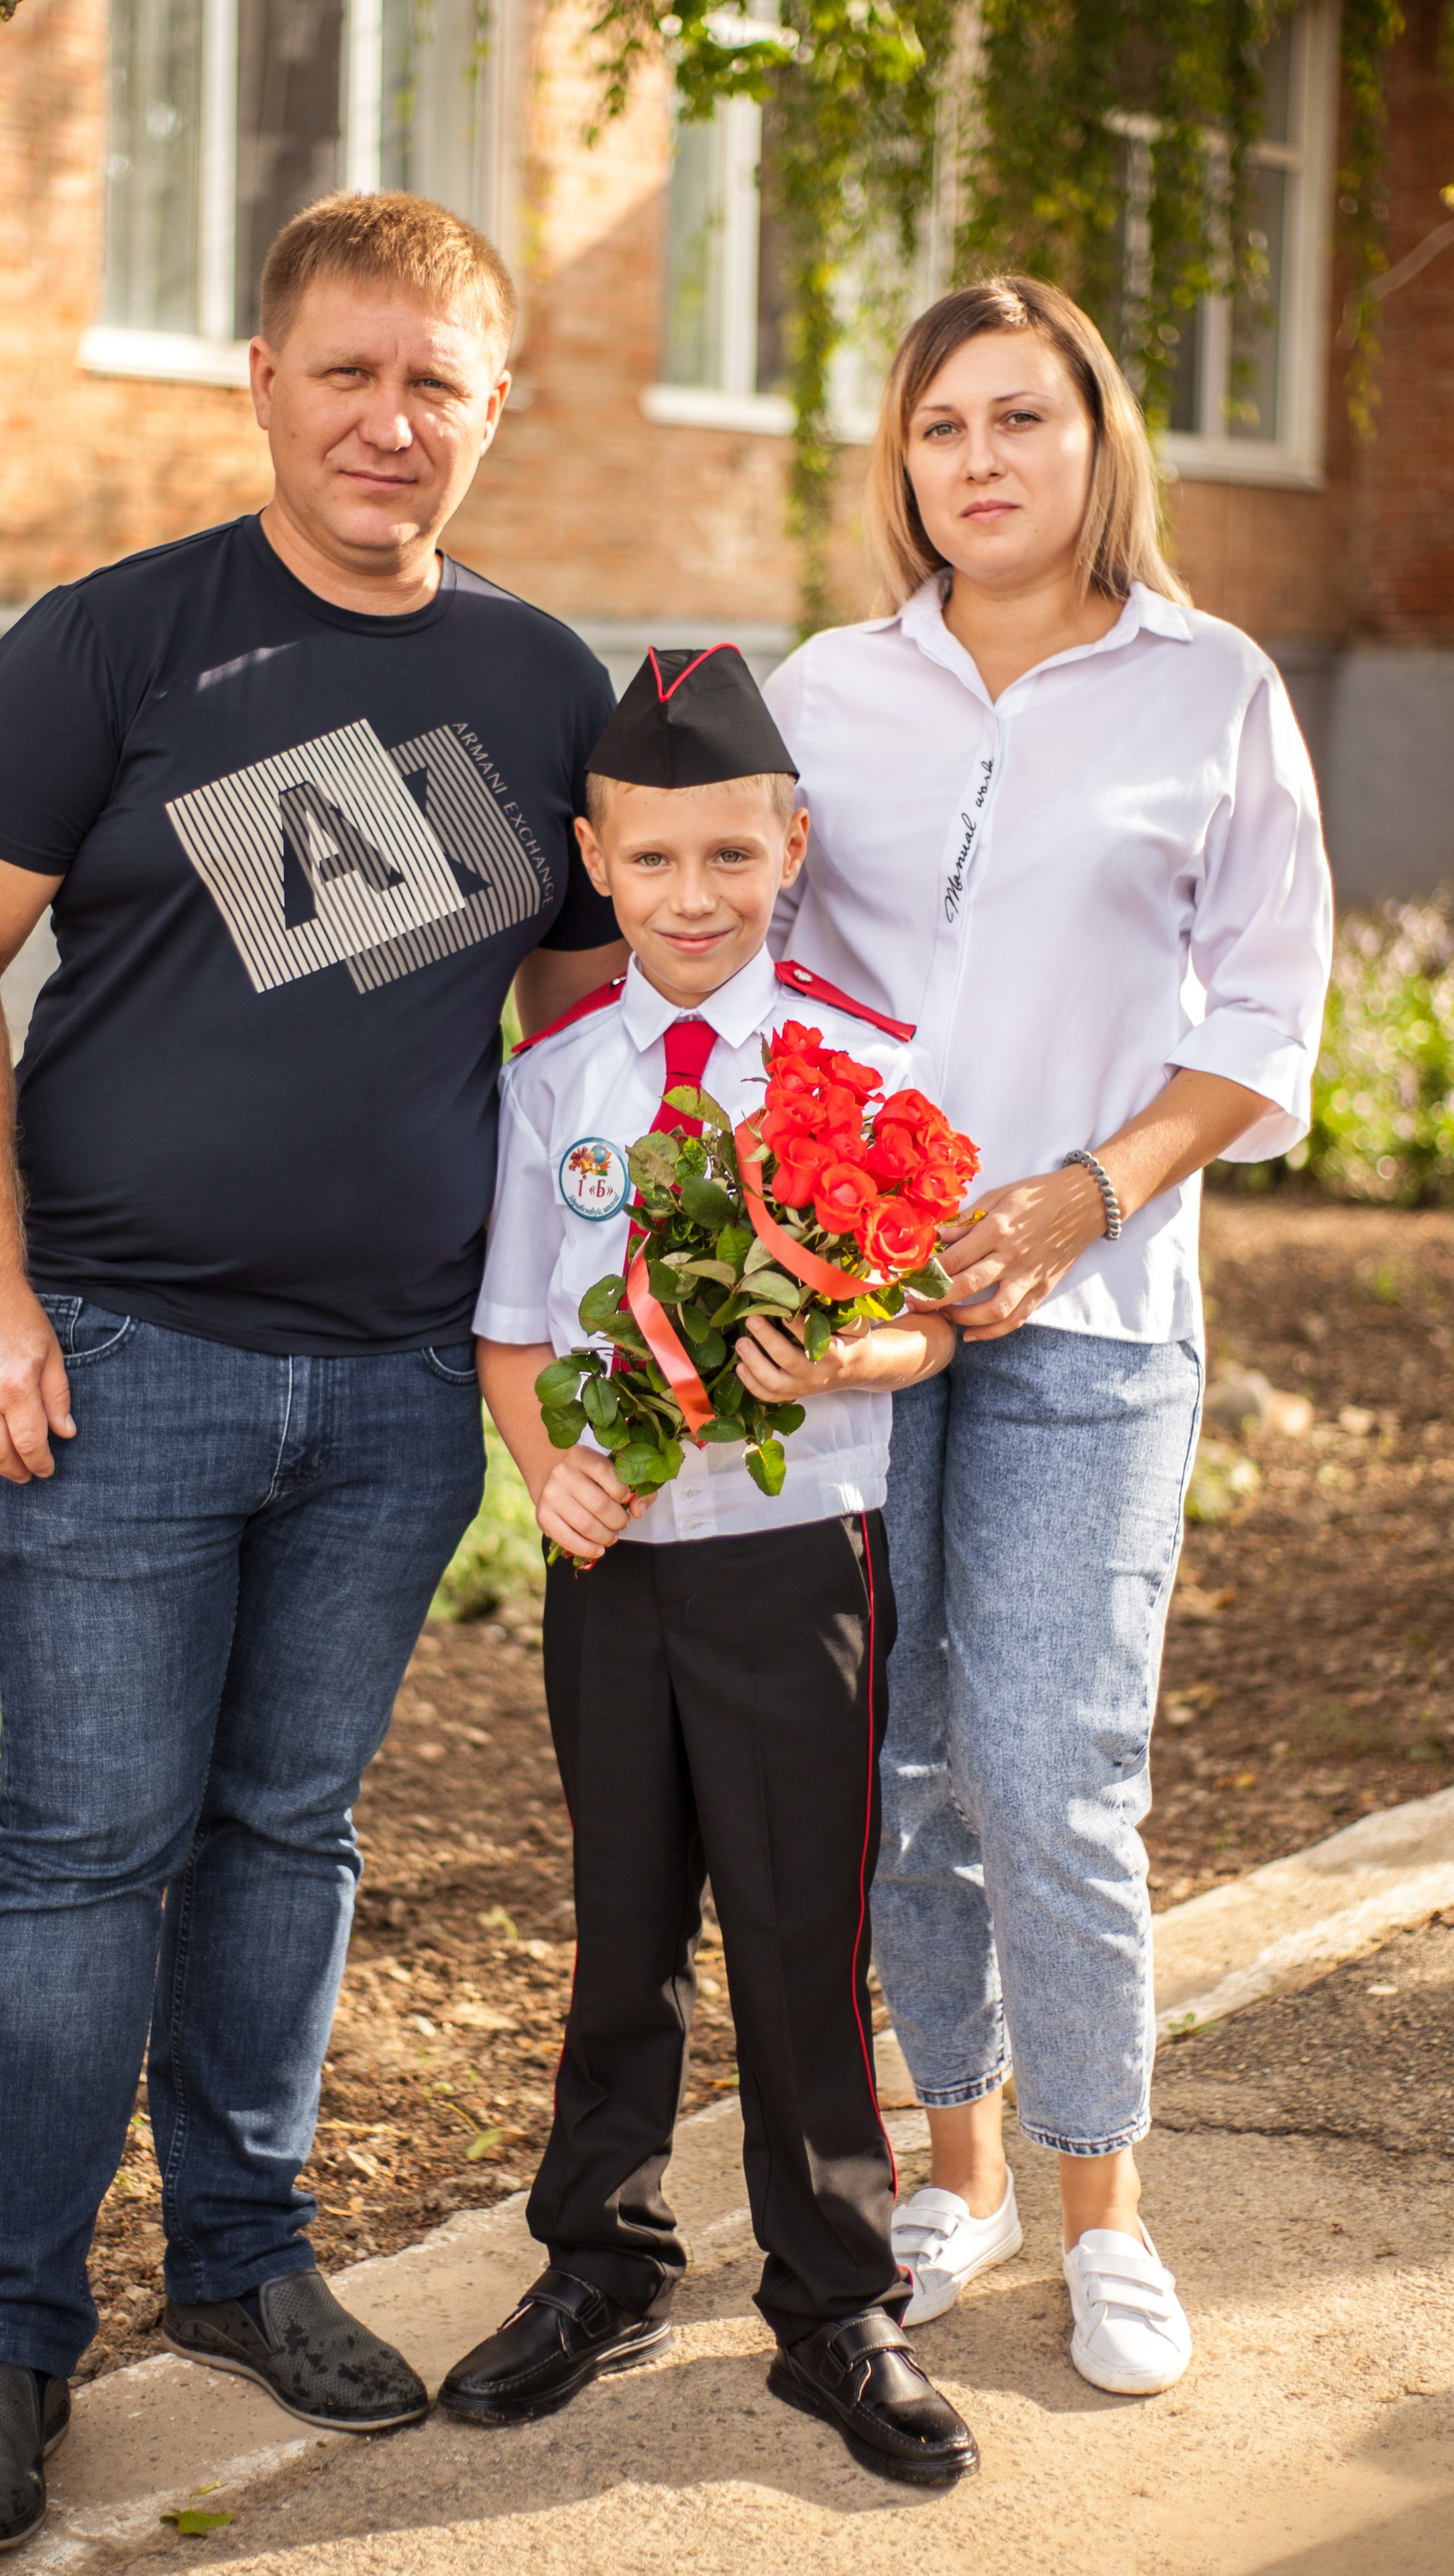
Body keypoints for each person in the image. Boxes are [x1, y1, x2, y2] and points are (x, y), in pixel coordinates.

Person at [0, 191, 628, 2556]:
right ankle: (7, 2334)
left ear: (493, 409)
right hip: (120, 1359)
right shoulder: (121, 640)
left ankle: (239, 2259)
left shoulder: (541, 685)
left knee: (290, 1834)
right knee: (83, 1855)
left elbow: (580, 1016)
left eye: (438, 385)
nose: (390, 422)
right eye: (349, 374)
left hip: (396, 1388)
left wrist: (569, 1323)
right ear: (265, 383)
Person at [763, 276, 1333, 2396]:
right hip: (865, 1323)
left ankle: (1108, 2208)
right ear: (902, 466)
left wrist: (1084, 1191)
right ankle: (963, 2171)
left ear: (1099, 440)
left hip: (1095, 1313)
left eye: (1022, 418)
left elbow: (1268, 1018)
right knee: (894, 1763)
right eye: (942, 427)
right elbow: (752, 964)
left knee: (1054, 1770)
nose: (981, 460)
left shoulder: (1215, 687)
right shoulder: (829, 691)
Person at [441, 644, 980, 2489]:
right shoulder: (556, 1080)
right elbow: (515, 1323)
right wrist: (547, 1473)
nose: (693, 897)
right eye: (655, 860)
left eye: (732, 858)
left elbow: (930, 1325)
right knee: (621, 1926)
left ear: (790, 850)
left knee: (798, 1934)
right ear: (596, 859)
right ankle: (602, 2261)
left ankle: (837, 2301)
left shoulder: (860, 1067)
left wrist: (847, 1354)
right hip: (616, 1574)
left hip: (791, 1558)